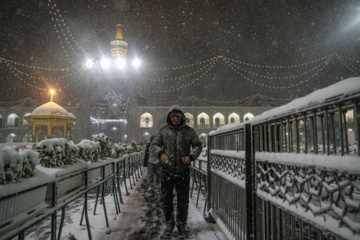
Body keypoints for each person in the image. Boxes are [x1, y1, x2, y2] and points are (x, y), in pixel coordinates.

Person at [151, 105, 202, 239]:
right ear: (169, 117)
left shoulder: (189, 132)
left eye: (177, 116)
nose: (175, 118)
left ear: (182, 118)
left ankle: (181, 225)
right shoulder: (163, 131)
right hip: (166, 170)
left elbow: (198, 145)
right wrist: (161, 153)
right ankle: (169, 223)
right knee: (166, 199)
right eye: (173, 116)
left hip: (183, 171)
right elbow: (154, 144)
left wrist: (191, 156)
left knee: (182, 200)